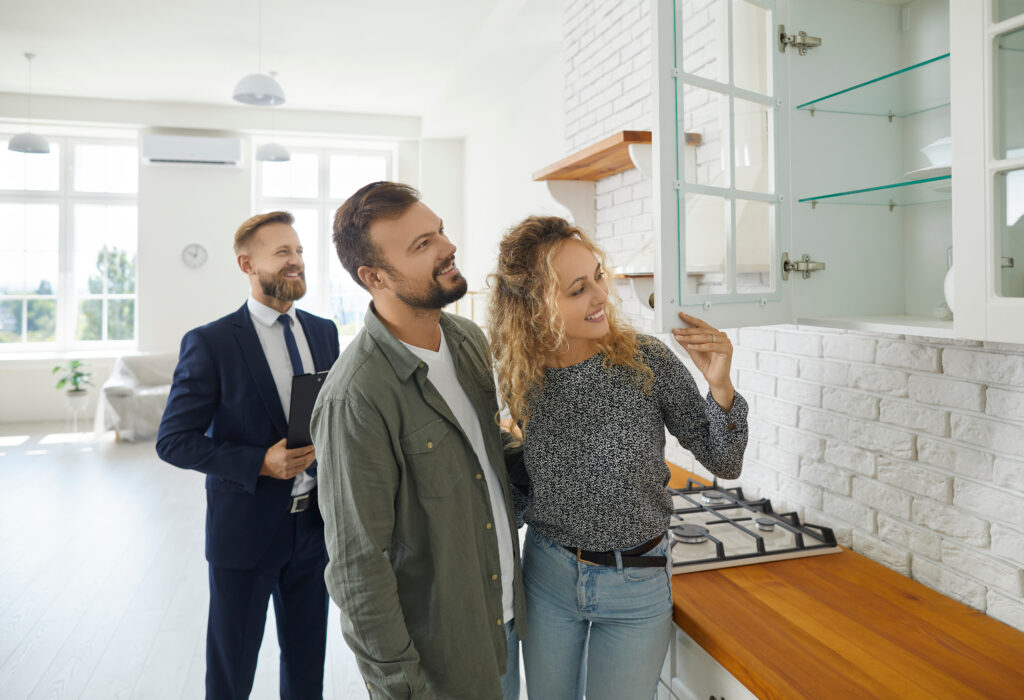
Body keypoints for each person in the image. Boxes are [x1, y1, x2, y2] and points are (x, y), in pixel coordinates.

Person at [487, 215, 748, 700]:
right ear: (532, 307)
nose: (601, 296)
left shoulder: (646, 360)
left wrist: (720, 386)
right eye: (577, 289)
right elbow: (523, 473)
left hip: (638, 583)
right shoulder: (518, 375)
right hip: (549, 574)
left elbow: (724, 459)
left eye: (599, 277)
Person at [310, 181, 525, 699]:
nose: (447, 247)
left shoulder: (467, 340)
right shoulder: (355, 397)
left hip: (503, 624)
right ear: (375, 277)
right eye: (421, 245)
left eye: (440, 232)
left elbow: (485, 460)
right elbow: (359, 567)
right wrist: (401, 687)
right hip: (437, 662)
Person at [156, 211, 340, 700]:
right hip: (244, 532)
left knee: (307, 666)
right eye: (282, 252)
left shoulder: (323, 333)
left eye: (299, 251)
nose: (296, 261)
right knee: (232, 671)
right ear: (246, 263)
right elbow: (173, 439)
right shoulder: (211, 342)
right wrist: (260, 461)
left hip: (314, 530)